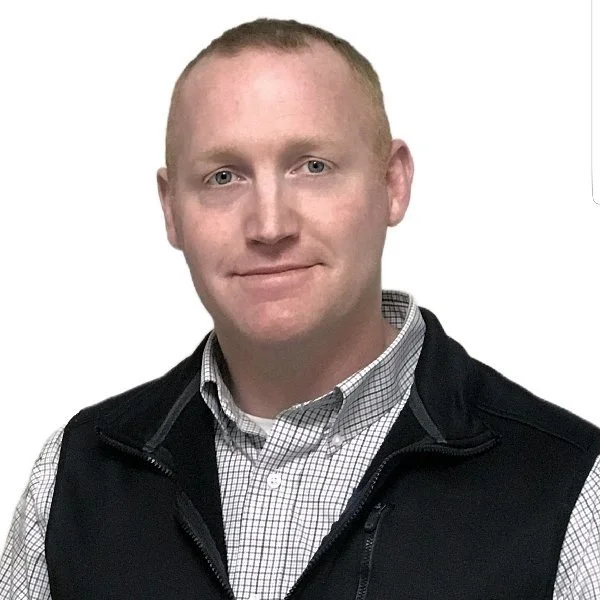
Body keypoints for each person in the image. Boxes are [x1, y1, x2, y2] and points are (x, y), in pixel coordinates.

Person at [0, 16, 598, 600]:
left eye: (313, 167)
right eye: (223, 177)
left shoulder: (570, 493)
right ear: (171, 209)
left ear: (393, 184)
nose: (269, 226)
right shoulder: (75, 479)